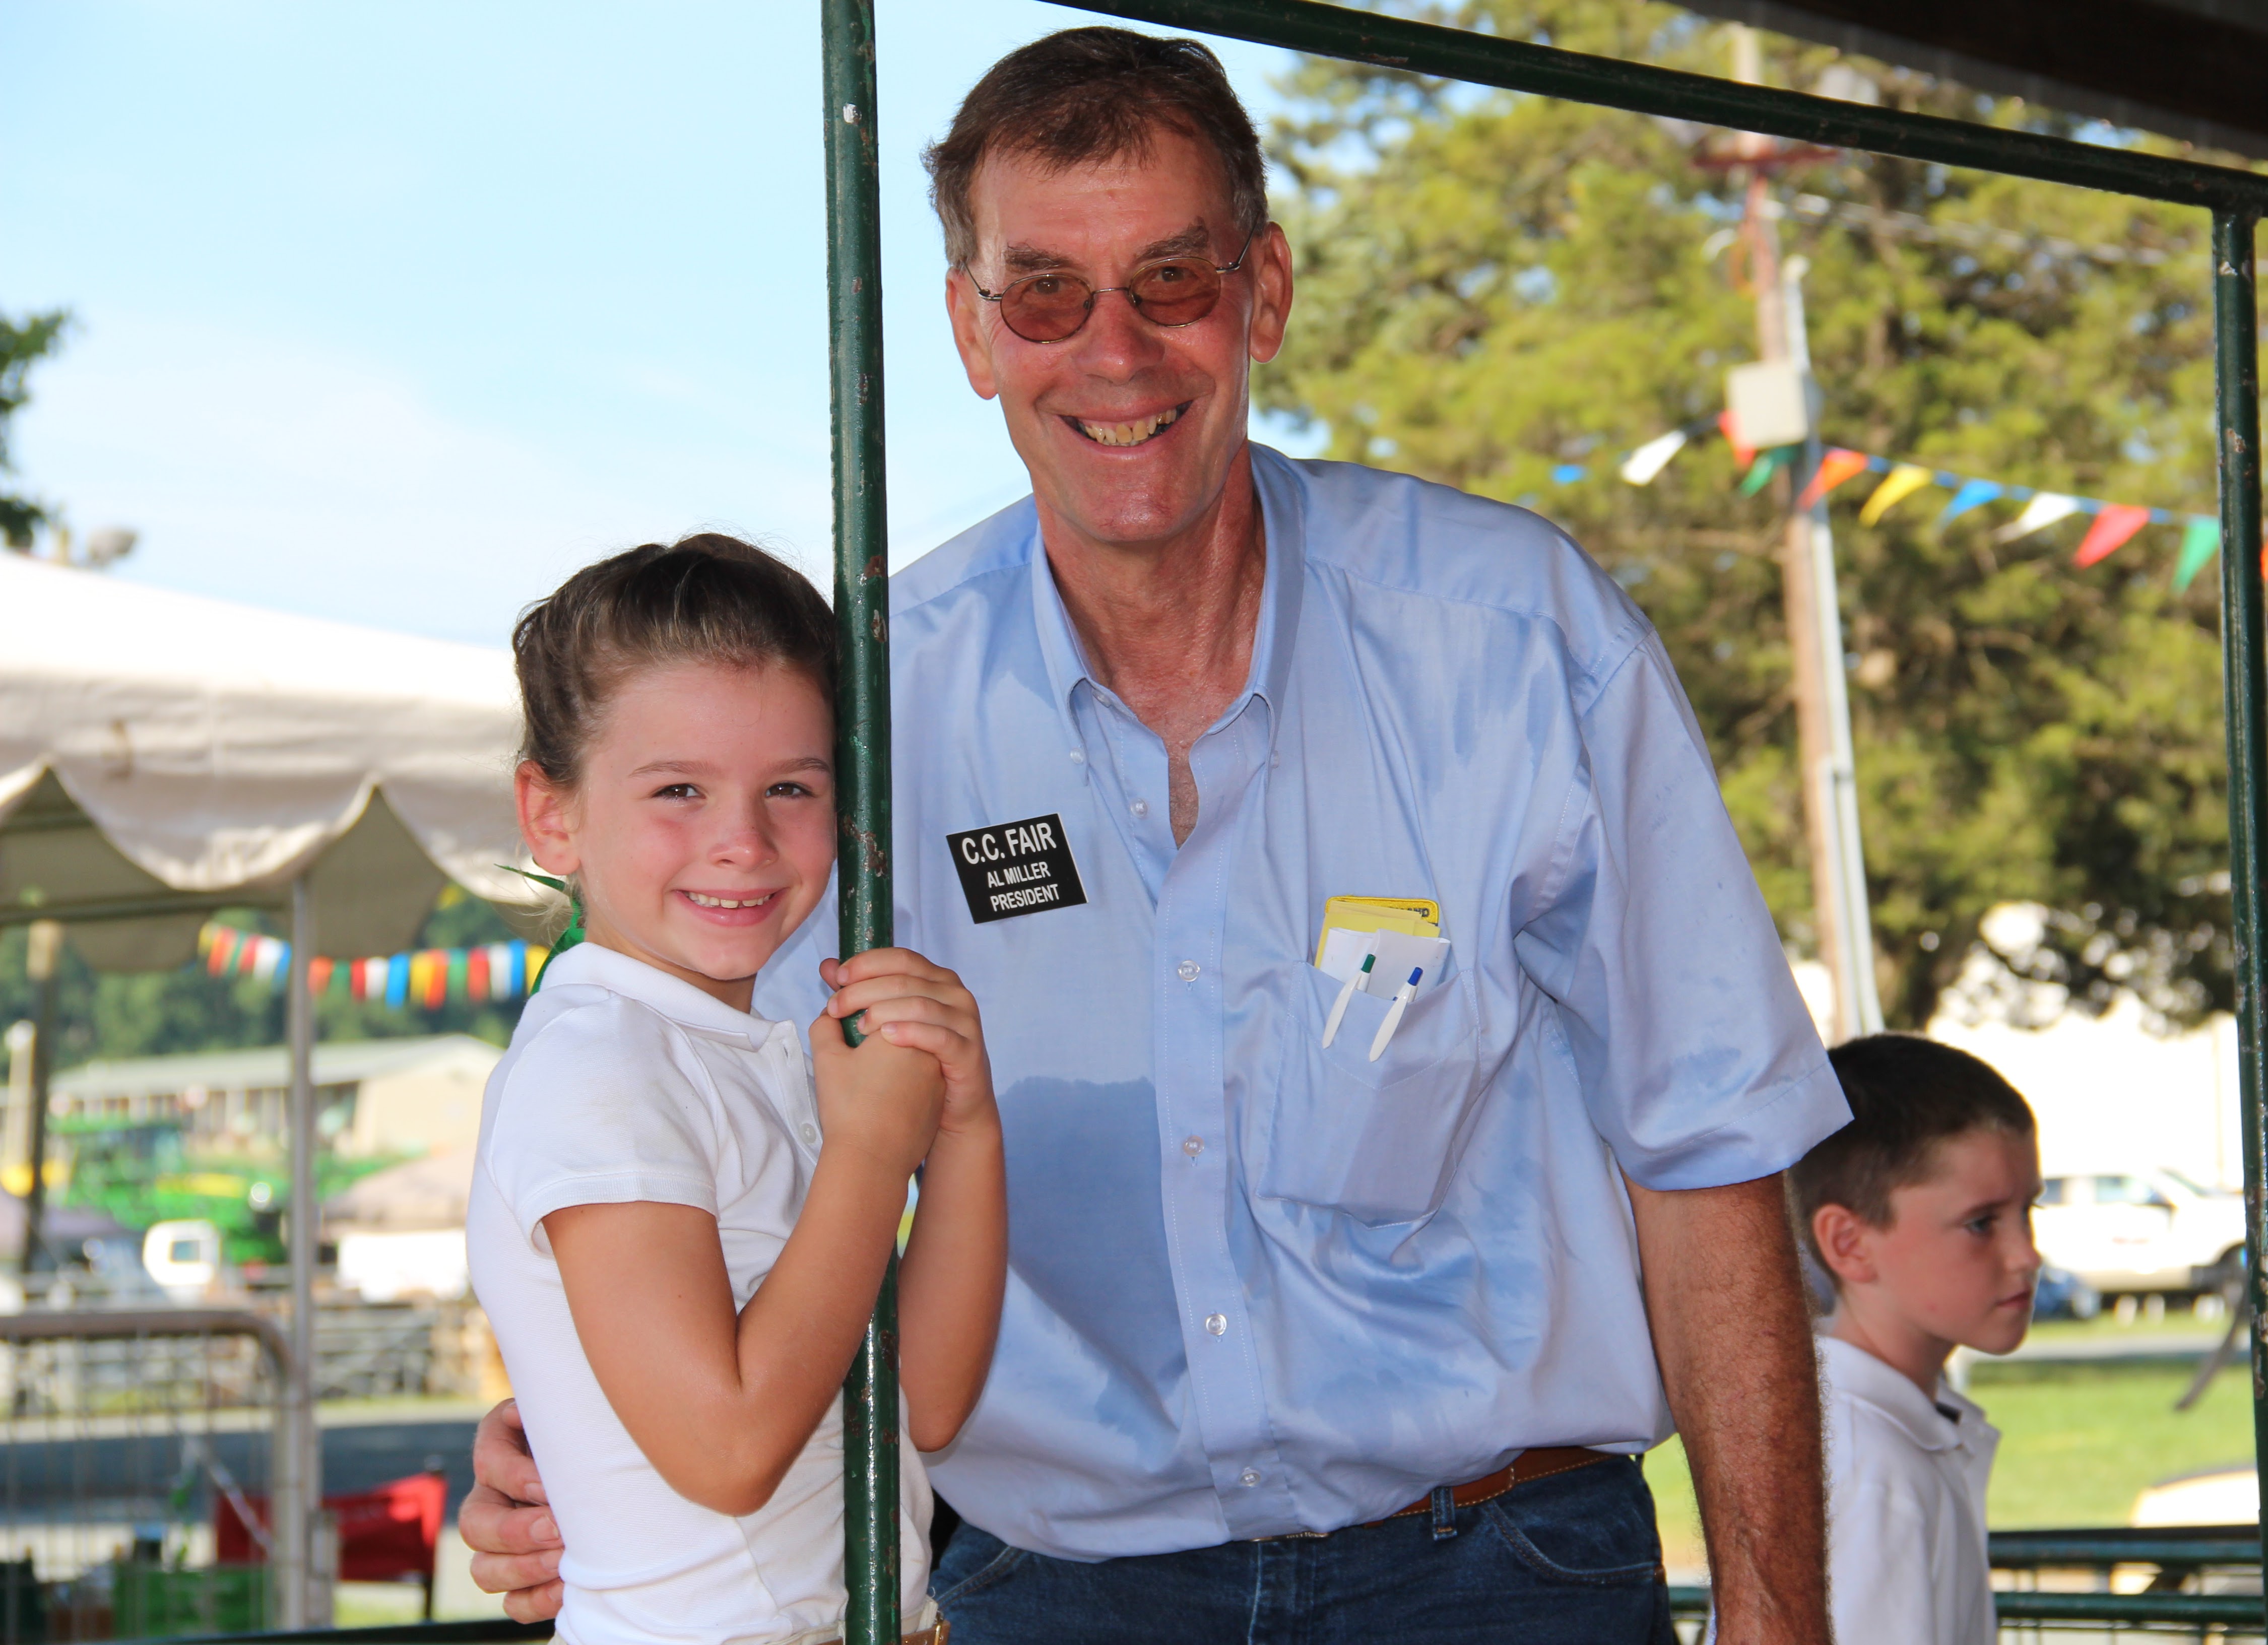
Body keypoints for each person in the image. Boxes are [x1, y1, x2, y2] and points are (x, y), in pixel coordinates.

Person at [465, 30, 1850, 1643]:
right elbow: (715, 1144)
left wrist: (1780, 1621)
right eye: (1046, 293)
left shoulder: (1513, 635)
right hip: (1056, 1589)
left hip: (1493, 1567)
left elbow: (1711, 1144)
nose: (1113, 351)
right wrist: (561, 1429)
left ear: (1263, 293)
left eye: (1170, 280)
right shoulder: (859, 715)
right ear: (971, 330)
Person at [466, 536, 1006, 1645]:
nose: (743, 842)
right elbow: (727, 1451)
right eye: (679, 790)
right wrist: (869, 1154)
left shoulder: (737, 1049)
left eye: (790, 788)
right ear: (552, 815)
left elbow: (924, 1403)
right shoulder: (598, 1064)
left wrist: (963, 1126)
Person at [1789, 1034, 2042, 1645]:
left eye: (2027, 1211)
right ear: (1848, 1243)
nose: (2026, 1255)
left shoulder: (1882, 1431)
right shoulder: (1867, 1469)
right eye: (1980, 1222)